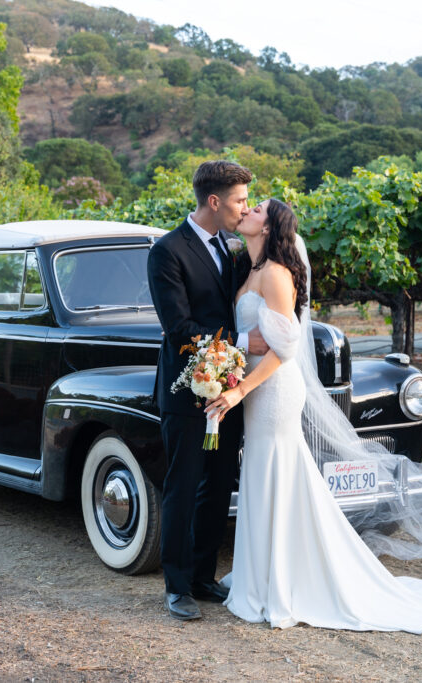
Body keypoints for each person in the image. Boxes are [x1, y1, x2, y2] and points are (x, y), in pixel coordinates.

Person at [203, 198, 422, 632]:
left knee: (276, 472)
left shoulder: (276, 275)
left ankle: (280, 583)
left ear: (271, 226)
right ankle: (259, 578)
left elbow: (285, 350)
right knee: (265, 474)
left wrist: (239, 389)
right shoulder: (251, 270)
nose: (249, 210)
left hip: (274, 391)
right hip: (257, 392)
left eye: (257, 208)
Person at [146, 160, 270, 621]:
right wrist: (239, 341)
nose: (244, 208)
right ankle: (177, 587)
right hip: (186, 393)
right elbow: (178, 328)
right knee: (183, 486)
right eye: (239, 200)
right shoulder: (167, 252)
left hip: (230, 390)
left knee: (218, 487)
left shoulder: (233, 247)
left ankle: (203, 576)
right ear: (214, 202)